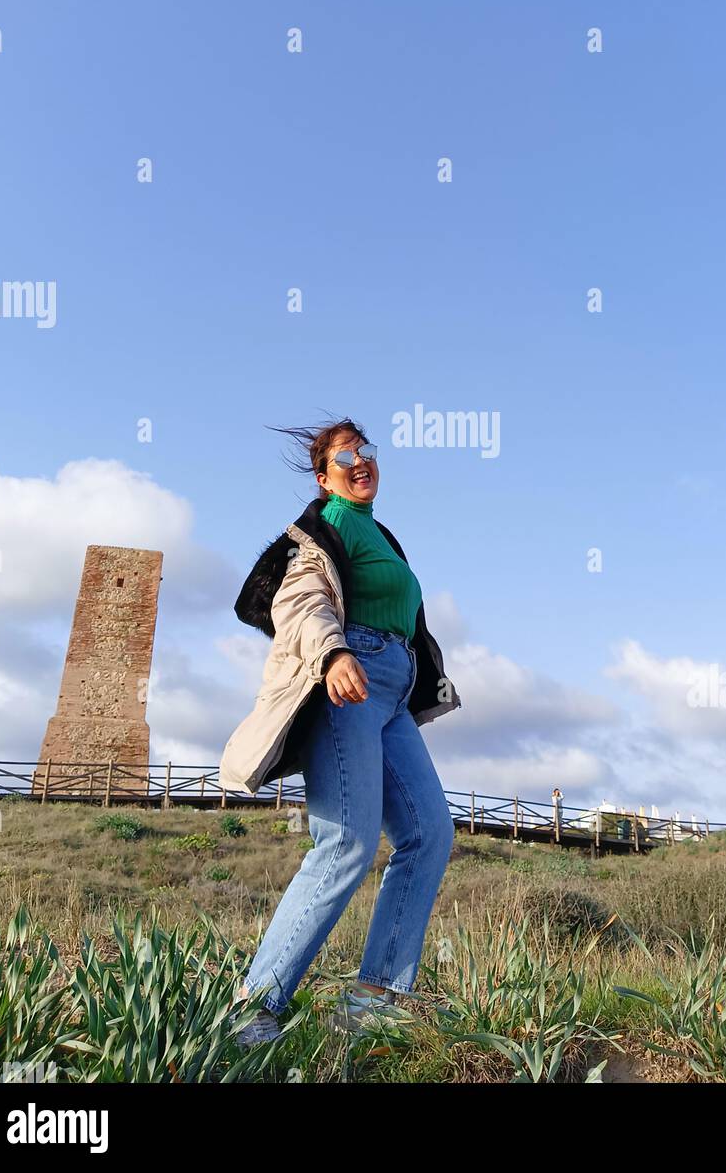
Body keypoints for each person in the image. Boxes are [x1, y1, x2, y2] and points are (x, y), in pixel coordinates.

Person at [221, 417, 461, 1044]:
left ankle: (374, 1000)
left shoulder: (380, 533)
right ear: (325, 475)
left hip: (392, 697)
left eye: (367, 451)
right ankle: (254, 1009)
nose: (361, 462)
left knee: (430, 831)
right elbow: (297, 602)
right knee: (347, 842)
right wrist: (332, 654)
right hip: (346, 680)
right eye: (345, 455)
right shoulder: (322, 530)